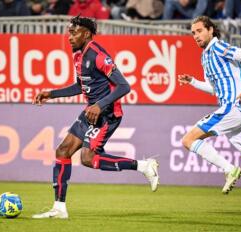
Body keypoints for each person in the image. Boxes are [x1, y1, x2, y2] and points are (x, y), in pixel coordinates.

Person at [32, 15, 159, 219]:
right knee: (63, 151)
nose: (70, 36)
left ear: (87, 33)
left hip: (108, 114)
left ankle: (144, 166)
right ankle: (59, 209)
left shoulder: (98, 54)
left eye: (74, 32)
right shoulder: (77, 55)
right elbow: (80, 86)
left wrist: (100, 105)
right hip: (91, 111)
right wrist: (51, 93)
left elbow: (124, 86)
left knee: (88, 158)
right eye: (69, 32)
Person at [178, 16, 241, 194]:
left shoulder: (218, 47)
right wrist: (193, 81)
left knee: (188, 140)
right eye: (193, 33)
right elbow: (213, 89)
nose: (196, 36)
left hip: (232, 108)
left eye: (200, 31)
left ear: (210, 30)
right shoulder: (205, 56)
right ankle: (230, 169)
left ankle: (229, 169)